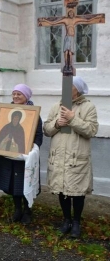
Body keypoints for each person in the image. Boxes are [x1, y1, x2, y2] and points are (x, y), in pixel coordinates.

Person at [43, 76, 98, 238]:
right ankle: (66, 219)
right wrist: (57, 124)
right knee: (61, 189)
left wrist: (72, 118)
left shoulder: (88, 107)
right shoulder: (56, 106)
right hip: (59, 155)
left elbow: (91, 130)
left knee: (77, 192)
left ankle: (76, 222)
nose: (65, 89)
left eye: (69, 86)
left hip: (76, 157)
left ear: (78, 90)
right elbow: (46, 129)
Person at [0, 84, 43, 224]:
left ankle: (27, 210)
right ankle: (17, 210)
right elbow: (0, 134)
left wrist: (34, 149)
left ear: (26, 96)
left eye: (19, 94)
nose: (15, 96)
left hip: (26, 158)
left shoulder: (34, 115)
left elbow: (38, 136)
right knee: (14, 183)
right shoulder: (5, 114)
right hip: (9, 157)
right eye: (14, 93)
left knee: (25, 182)